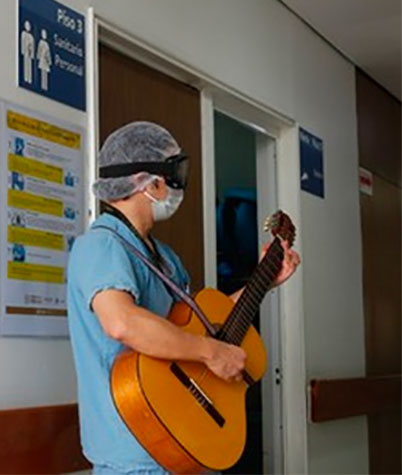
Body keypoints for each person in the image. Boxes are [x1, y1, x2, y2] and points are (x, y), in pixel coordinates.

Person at [66, 122, 300, 474]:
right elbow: (121, 322)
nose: (176, 186)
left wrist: (265, 280)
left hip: (186, 444)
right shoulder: (100, 246)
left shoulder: (165, 257)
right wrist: (212, 352)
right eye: (173, 172)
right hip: (135, 453)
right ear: (151, 182)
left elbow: (201, 326)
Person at [20, 20, 35, 84]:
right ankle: (26, 78)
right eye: (27, 25)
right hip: (26, 51)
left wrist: (32, 54)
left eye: (29, 26)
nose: (28, 27)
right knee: (25, 64)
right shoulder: (23, 34)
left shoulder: (31, 37)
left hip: (30, 52)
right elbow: (22, 42)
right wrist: (23, 50)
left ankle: (30, 79)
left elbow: (33, 45)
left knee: (29, 65)